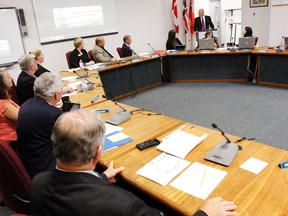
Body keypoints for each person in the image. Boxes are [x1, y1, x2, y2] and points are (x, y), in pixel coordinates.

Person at [31, 109, 238, 216]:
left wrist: (101, 177)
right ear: (97, 153)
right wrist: (205, 213)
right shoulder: (123, 206)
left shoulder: (38, 182)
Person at [17, 72, 64, 179]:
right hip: (46, 170)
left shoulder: (25, 105)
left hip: (29, 163)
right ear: (57, 94)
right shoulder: (53, 114)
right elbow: (70, 142)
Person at [0, 69, 19, 141]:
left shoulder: (5, 99)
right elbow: (23, 118)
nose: (11, 78)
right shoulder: (3, 105)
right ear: (2, 84)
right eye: (8, 77)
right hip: (13, 140)